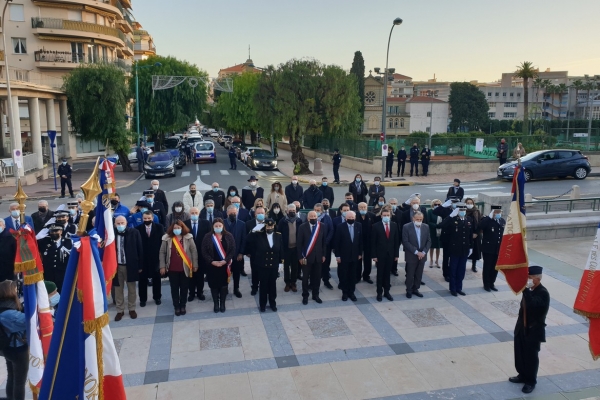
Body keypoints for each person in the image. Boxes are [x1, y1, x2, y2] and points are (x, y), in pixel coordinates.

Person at [510, 265, 550, 394]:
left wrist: (526, 291)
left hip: (533, 330)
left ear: (537, 279)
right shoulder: (530, 290)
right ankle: (522, 374)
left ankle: (530, 381)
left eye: (530, 277)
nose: (527, 279)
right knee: (520, 352)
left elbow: (533, 305)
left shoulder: (543, 293)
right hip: (522, 327)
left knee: (531, 357)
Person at [159, 221, 198, 316]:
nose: (177, 230)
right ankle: (176, 306)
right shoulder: (167, 238)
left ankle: (183, 305)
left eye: (179, 228)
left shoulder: (188, 237)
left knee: (184, 288)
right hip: (172, 268)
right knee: (174, 288)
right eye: (175, 228)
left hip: (185, 267)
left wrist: (195, 265)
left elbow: (194, 251)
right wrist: (162, 266)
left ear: (182, 228)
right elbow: (162, 252)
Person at [247, 219, 284, 312]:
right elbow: (248, 239)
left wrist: (281, 263)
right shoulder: (258, 235)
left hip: (274, 265)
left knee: (272, 285)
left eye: (271, 226)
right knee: (263, 286)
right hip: (262, 265)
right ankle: (262, 305)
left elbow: (281, 250)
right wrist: (257, 227)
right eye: (268, 226)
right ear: (265, 227)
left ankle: (272, 303)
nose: (270, 228)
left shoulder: (278, 235)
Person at [0, 280, 28, 400]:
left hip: (8, 348)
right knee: (19, 382)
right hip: (17, 350)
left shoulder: (4, 306)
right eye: (15, 289)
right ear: (9, 292)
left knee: (11, 376)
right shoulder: (9, 313)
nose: (18, 291)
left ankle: (10, 398)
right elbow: (29, 322)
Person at [438, 203, 473, 296]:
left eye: (464, 210)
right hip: (454, 249)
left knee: (461, 270)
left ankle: (459, 288)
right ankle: (453, 288)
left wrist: (471, 247)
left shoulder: (468, 220)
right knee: (453, 270)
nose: (463, 212)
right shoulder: (452, 220)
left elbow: (470, 235)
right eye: (461, 210)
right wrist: (450, 216)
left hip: (464, 249)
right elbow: (441, 225)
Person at [202, 218, 236, 313]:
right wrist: (212, 261)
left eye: (219, 226)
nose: (218, 227)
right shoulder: (208, 236)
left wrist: (225, 261)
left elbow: (232, 250)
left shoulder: (228, 236)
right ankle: (216, 303)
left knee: (223, 285)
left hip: (224, 265)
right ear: (213, 226)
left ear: (223, 226)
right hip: (212, 266)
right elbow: (204, 251)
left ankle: (222, 303)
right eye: (216, 226)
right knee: (214, 285)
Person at [113, 216, 143, 321]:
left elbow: (140, 248)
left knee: (131, 289)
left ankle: (132, 308)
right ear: (115, 224)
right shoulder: (112, 234)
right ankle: (120, 310)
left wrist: (140, 266)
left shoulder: (134, 232)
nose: (120, 225)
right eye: (118, 223)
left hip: (130, 265)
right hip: (117, 266)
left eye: (122, 223)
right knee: (118, 290)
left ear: (126, 223)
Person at [297, 211, 327, 305]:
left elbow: (324, 242)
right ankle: (305, 296)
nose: (313, 217)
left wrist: (323, 255)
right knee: (305, 278)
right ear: (308, 218)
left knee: (317, 277)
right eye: (311, 216)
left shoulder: (321, 226)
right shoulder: (302, 227)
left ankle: (315, 295)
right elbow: (299, 243)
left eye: (315, 216)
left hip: (318, 257)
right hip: (306, 257)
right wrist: (300, 257)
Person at [136, 211, 165, 306]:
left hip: (156, 258)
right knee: (142, 281)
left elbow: (162, 243)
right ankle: (143, 299)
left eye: (149, 218)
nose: (147, 220)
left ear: (152, 218)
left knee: (157, 279)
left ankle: (157, 297)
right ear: (142, 218)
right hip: (143, 259)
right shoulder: (138, 229)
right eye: (145, 218)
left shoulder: (159, 227)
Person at [371, 209, 400, 301]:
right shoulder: (376, 226)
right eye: (384, 215)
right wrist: (374, 255)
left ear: (390, 216)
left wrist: (396, 255)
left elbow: (396, 241)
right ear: (381, 216)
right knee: (380, 274)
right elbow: (373, 242)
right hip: (380, 254)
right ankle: (379, 292)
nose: (386, 217)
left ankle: (387, 292)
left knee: (387, 274)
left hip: (390, 254)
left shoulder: (394, 225)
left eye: (388, 215)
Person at [334, 211, 362, 302]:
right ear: (346, 218)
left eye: (352, 217)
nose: (351, 219)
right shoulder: (340, 227)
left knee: (353, 275)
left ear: (355, 217)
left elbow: (360, 241)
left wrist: (360, 254)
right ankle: (344, 293)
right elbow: (337, 242)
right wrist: (337, 256)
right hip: (343, 256)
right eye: (349, 218)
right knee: (344, 275)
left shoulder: (359, 226)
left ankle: (352, 292)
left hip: (355, 256)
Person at [184, 207, 211, 301]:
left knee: (200, 275)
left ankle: (200, 292)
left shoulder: (206, 223)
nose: (194, 214)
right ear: (189, 214)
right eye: (192, 213)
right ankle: (191, 293)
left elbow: (209, 238)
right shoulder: (185, 224)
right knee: (190, 275)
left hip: (202, 253)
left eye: (196, 213)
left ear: (199, 214)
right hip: (189, 254)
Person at [402, 212, 431, 299]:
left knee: (419, 274)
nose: (419, 221)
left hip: (422, 255)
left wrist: (423, 252)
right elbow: (405, 241)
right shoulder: (406, 227)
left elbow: (429, 241)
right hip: (411, 255)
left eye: (420, 219)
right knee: (410, 274)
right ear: (413, 219)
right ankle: (409, 290)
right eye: (417, 219)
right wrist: (416, 252)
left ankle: (416, 289)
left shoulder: (426, 227)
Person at [37, 224, 72, 293]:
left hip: (63, 275)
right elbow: (35, 240)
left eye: (56, 231)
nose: (54, 233)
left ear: (61, 231)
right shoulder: (45, 242)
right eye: (52, 231)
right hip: (49, 275)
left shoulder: (69, 242)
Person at [478, 205, 505, 292]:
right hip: (488, 248)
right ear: (492, 212)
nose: (498, 214)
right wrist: (489, 218)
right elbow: (480, 227)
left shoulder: (502, 221)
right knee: (487, 267)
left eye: (499, 212)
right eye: (496, 212)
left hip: (498, 248)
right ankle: (486, 284)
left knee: (495, 267)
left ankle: (492, 283)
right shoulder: (487, 220)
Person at [224, 205, 247, 298]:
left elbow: (243, 239)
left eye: (235, 213)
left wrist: (241, 253)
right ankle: (224, 289)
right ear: (227, 213)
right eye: (231, 213)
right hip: (224, 255)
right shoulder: (222, 223)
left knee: (236, 273)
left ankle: (236, 288)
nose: (233, 214)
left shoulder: (242, 224)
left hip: (237, 255)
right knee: (224, 273)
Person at [278, 204, 302, 293]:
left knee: (295, 266)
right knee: (286, 266)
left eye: (293, 210)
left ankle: (293, 282)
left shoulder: (299, 221)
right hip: (286, 248)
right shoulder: (282, 221)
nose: (292, 212)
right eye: (290, 210)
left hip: (296, 248)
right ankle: (287, 283)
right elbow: (279, 234)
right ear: (287, 211)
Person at [246, 206, 266, 294]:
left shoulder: (268, 223)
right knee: (254, 271)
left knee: (264, 271)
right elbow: (246, 239)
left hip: (265, 252)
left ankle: (264, 286)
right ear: (255, 214)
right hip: (253, 252)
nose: (260, 214)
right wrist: (247, 251)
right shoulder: (249, 224)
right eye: (258, 213)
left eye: (262, 213)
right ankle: (254, 287)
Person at [315, 203, 334, 289]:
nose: (316, 212)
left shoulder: (327, 218)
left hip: (325, 245)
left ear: (322, 210)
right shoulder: (311, 218)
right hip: (315, 246)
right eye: (315, 210)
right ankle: (314, 282)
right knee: (315, 265)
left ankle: (326, 281)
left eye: (318, 210)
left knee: (326, 264)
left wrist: (325, 242)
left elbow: (331, 230)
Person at [357, 202, 374, 284]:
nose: (363, 209)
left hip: (368, 242)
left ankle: (366, 276)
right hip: (358, 242)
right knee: (358, 260)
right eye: (361, 207)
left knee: (367, 261)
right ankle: (357, 276)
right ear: (358, 208)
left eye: (364, 207)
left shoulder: (371, 216)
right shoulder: (355, 216)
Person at [465, 197, 482, 273]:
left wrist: (476, 233)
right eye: (468, 203)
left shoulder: (476, 211)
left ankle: (473, 265)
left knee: (475, 250)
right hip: (466, 234)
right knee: (465, 250)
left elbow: (479, 222)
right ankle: (463, 265)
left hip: (475, 234)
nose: (469, 205)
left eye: (471, 203)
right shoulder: (463, 211)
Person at [427, 199, 443, 268]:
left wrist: (440, 225)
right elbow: (428, 221)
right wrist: (435, 225)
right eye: (435, 204)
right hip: (432, 230)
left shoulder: (442, 211)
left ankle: (437, 260)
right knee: (432, 246)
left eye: (438, 204)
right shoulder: (430, 211)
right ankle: (431, 260)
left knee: (438, 247)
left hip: (440, 230)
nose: (437, 206)